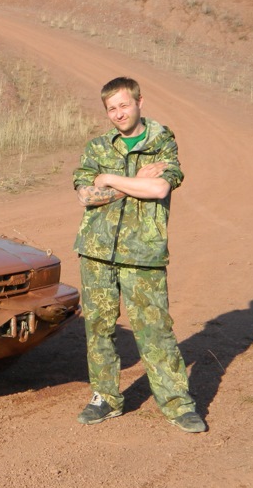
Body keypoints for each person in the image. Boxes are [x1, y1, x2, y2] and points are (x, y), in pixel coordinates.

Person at [73, 77, 206, 433]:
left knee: (155, 330)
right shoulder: (98, 146)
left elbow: (159, 187)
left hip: (143, 253)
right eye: (111, 108)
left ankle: (178, 404)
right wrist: (125, 181)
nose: (118, 114)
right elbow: (86, 196)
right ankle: (106, 398)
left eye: (124, 105)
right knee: (99, 329)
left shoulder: (162, 141)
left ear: (139, 102)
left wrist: (109, 179)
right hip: (96, 252)